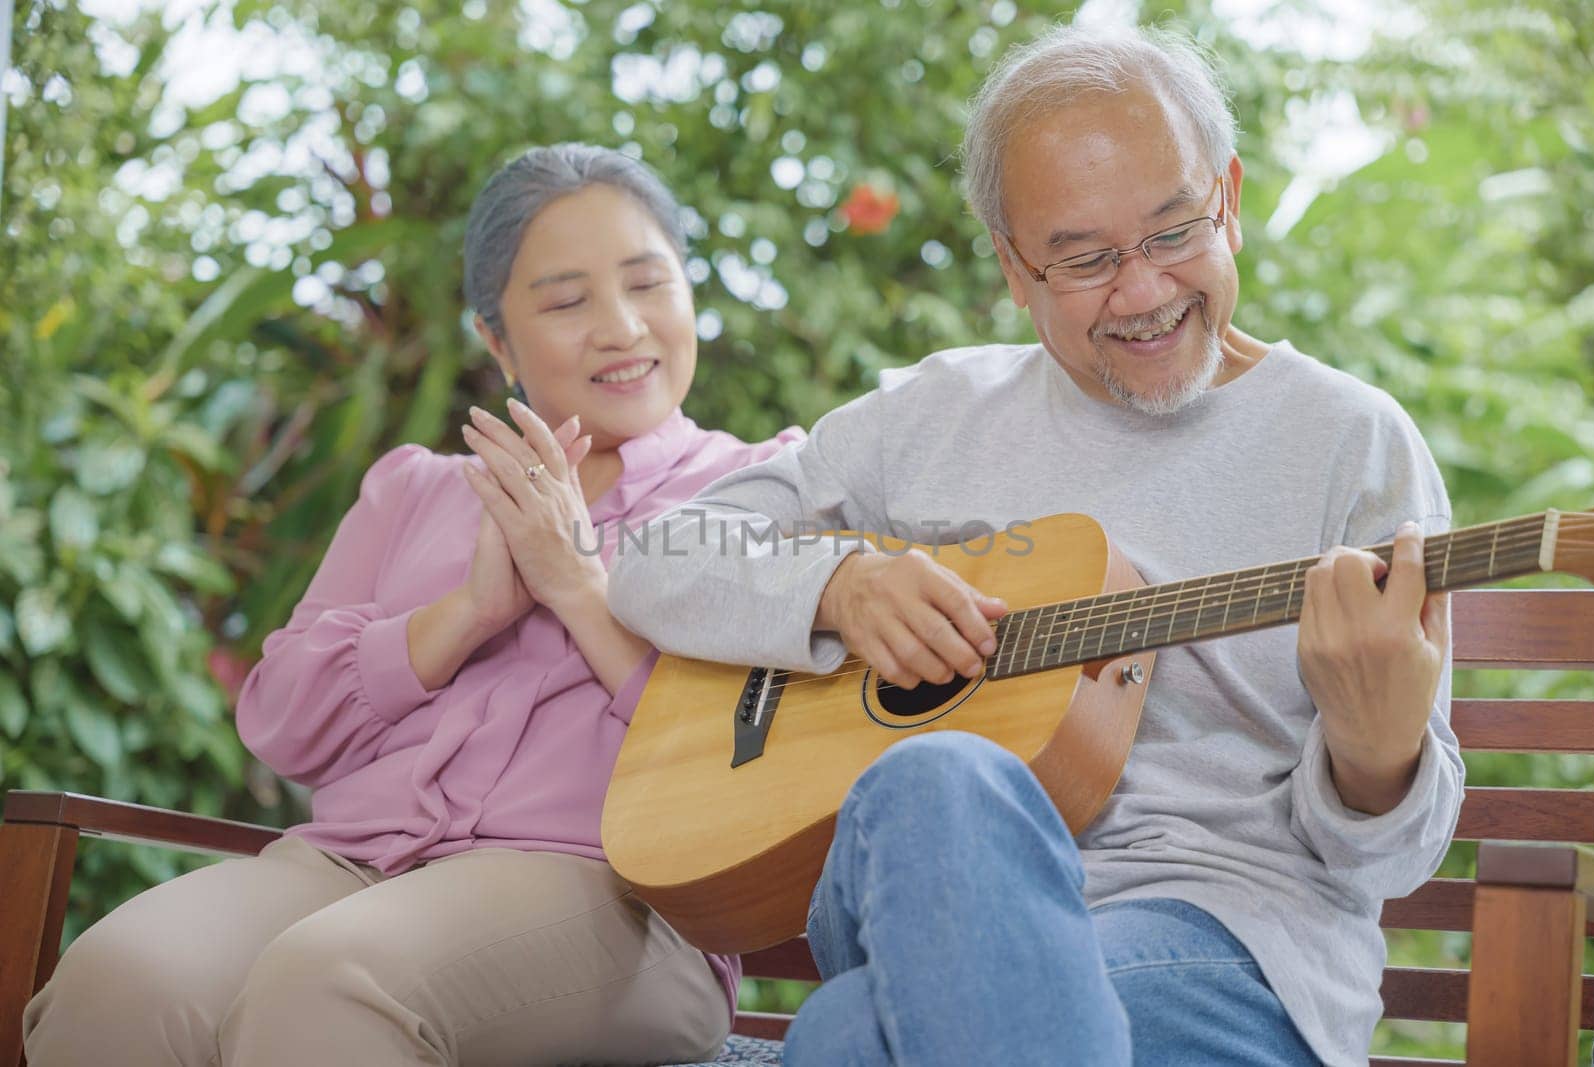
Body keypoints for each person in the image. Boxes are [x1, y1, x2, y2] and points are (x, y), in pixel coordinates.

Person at [608, 23, 1463, 1067]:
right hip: (907, 892)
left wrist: (1377, 750)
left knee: (843, 1036)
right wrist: (839, 583)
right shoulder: (934, 411)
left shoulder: (1347, 438)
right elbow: (657, 551)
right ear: (1015, 267)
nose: (1143, 291)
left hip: (1223, 945)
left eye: (1171, 231)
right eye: (1084, 259)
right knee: (938, 779)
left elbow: (1394, 855)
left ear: (1228, 200)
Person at [24, 143, 802, 1067]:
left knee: (333, 982)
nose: (622, 326)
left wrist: (580, 589)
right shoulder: (415, 490)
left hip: (622, 902)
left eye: (649, 283)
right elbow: (281, 718)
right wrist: (464, 615)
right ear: (497, 341)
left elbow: (757, 750)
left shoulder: (762, 490)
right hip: (350, 864)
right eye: (565, 301)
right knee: (121, 979)